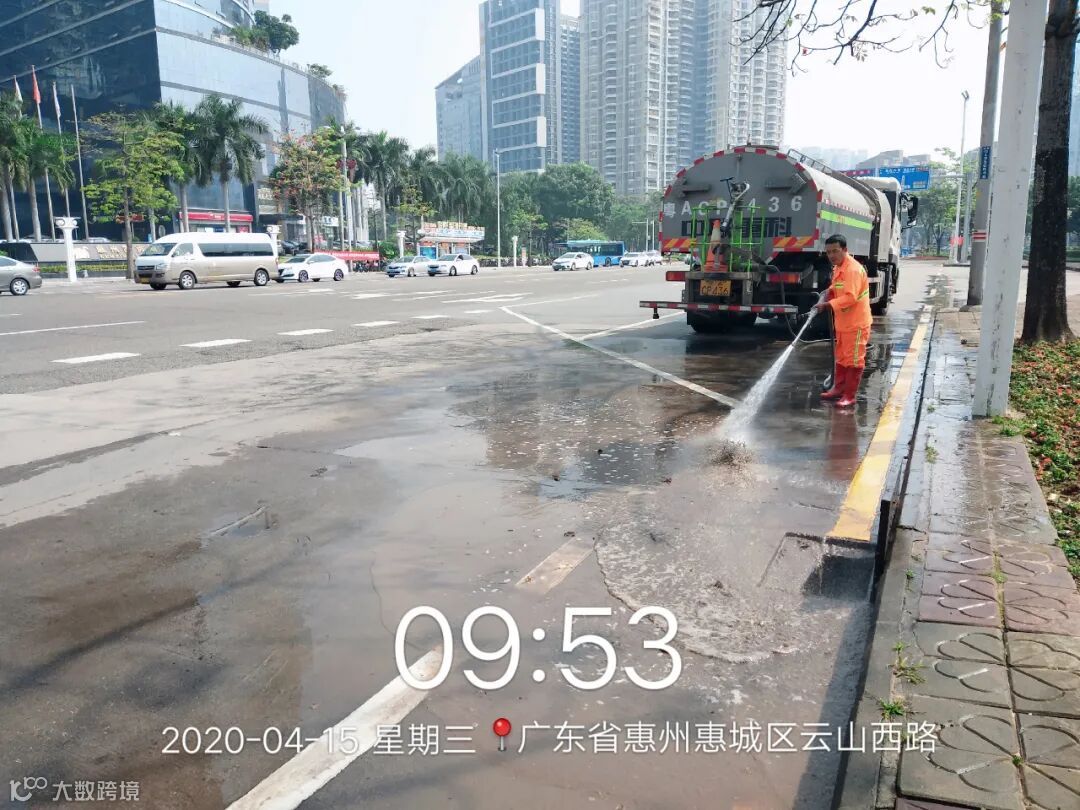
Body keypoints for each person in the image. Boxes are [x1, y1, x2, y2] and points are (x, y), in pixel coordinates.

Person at [814, 234, 872, 408]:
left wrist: (828, 305)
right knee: (841, 357)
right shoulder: (839, 268)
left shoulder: (852, 270)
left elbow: (850, 297)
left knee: (854, 360)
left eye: (835, 251)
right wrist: (829, 291)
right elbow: (838, 287)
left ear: (845, 250)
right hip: (843, 323)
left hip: (856, 324)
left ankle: (849, 396)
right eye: (828, 252)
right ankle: (838, 389)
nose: (831, 255)